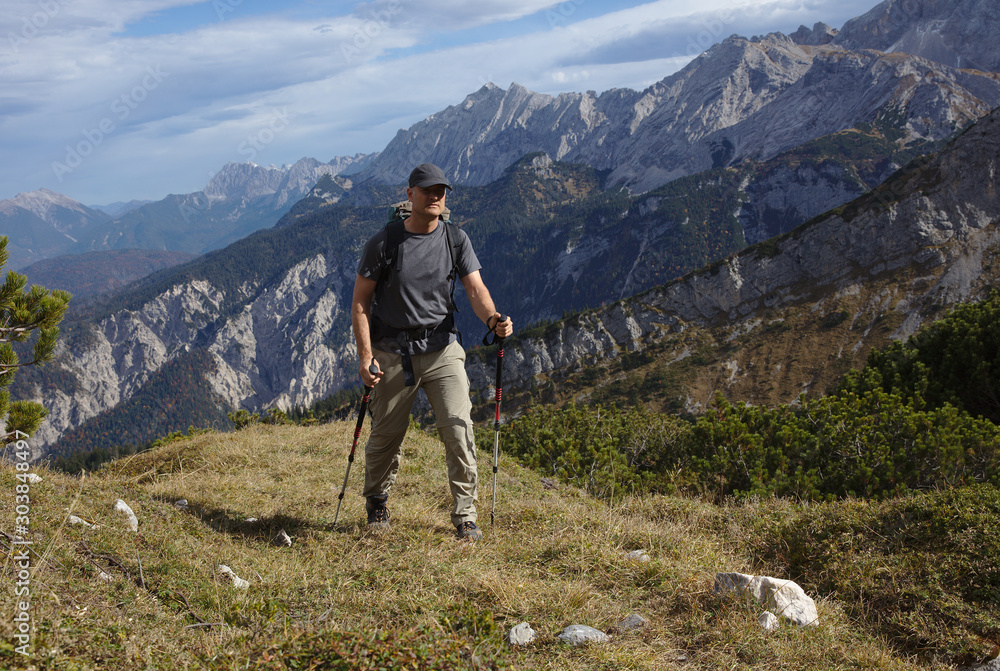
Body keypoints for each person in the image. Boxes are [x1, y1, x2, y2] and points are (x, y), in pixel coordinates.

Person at [351, 162, 513, 541]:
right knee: (386, 436)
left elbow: (476, 289)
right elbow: (360, 303)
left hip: (443, 348)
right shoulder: (384, 243)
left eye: (441, 190)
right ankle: (377, 500)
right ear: (410, 195)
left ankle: (465, 516)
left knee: (459, 430)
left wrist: (493, 319)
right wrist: (365, 357)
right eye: (428, 190)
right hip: (392, 352)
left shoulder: (456, 239)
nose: (436, 196)